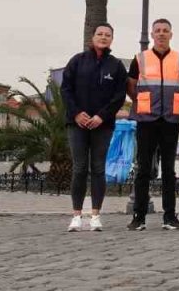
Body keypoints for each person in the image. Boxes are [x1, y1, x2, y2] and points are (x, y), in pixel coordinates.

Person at [125, 18, 179, 231]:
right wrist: (142, 102)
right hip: (146, 119)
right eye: (158, 30)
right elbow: (131, 86)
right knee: (143, 168)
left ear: (171, 34)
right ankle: (139, 217)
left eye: (165, 30)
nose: (161, 33)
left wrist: (177, 101)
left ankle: (170, 217)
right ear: (152, 35)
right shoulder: (140, 58)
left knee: (169, 170)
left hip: (170, 120)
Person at [61, 23, 129, 232]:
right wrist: (76, 113)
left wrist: (101, 116)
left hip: (103, 125)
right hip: (77, 124)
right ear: (93, 37)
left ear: (112, 39)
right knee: (80, 168)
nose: (103, 37)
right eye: (100, 34)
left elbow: (119, 96)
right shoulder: (77, 61)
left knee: (98, 169)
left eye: (107, 35)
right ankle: (76, 216)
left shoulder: (116, 66)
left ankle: (95, 215)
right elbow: (66, 89)